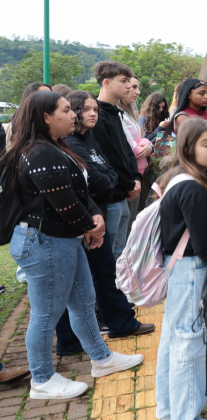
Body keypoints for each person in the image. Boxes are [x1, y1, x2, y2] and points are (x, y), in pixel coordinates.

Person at [3, 91, 144, 400]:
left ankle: (101, 358)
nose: (74, 115)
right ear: (46, 117)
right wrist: (91, 226)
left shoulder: (55, 147)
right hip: (44, 243)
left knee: (83, 300)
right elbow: (64, 203)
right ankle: (42, 379)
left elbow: (80, 191)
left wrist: (94, 216)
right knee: (46, 314)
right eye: (66, 110)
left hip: (63, 239)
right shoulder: (39, 152)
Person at [56, 91, 151, 355]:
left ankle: (117, 322)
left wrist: (110, 182)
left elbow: (106, 170)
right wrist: (107, 184)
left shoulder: (88, 139)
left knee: (103, 271)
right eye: (86, 109)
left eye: (95, 109)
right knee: (83, 281)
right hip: (86, 220)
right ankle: (77, 339)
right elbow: (96, 180)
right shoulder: (71, 143)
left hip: (100, 209)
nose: (92, 113)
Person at [154, 118, 207, 420]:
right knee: (189, 342)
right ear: (188, 147)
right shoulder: (193, 188)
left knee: (174, 339)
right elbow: (205, 243)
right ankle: (186, 413)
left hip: (178, 269)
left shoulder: (176, 178)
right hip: (192, 271)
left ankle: (169, 409)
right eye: (206, 144)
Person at [93, 61, 142, 258]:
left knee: (120, 249)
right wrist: (130, 183)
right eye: (123, 81)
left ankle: (117, 286)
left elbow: (127, 152)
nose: (129, 86)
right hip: (111, 195)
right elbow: (109, 157)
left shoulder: (116, 113)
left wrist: (136, 178)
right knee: (109, 251)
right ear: (107, 82)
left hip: (123, 192)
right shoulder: (96, 114)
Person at [120, 75, 152, 219]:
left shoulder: (129, 111)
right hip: (128, 175)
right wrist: (147, 146)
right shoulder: (118, 114)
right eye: (134, 87)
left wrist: (150, 146)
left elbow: (141, 138)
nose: (138, 92)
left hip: (138, 173)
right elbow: (132, 148)